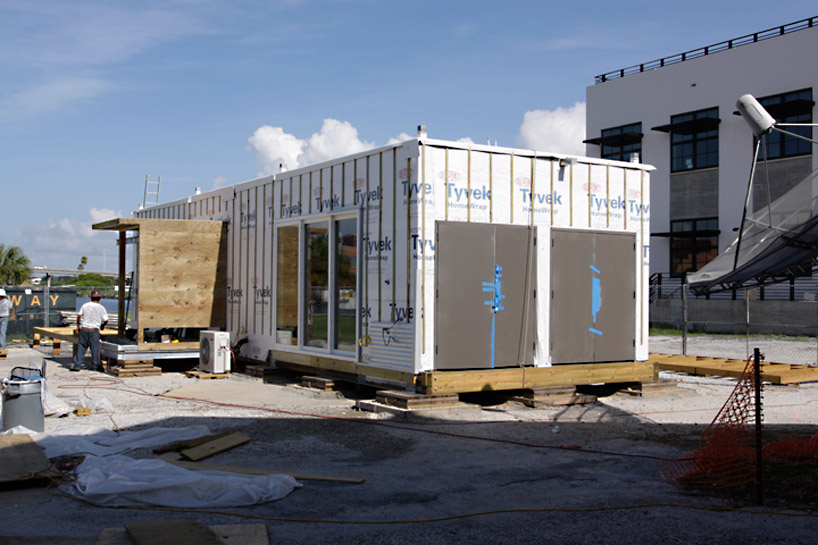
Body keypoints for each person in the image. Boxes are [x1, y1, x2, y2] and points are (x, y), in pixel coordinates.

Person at [72, 290, 108, 371]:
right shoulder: (101, 308)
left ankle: (77, 365)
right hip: (94, 330)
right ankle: (95, 366)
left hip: (84, 329)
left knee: (81, 348)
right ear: (99, 298)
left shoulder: (85, 305)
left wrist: (78, 327)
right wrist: (102, 326)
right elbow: (106, 320)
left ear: (91, 297)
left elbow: (79, 316)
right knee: (95, 349)